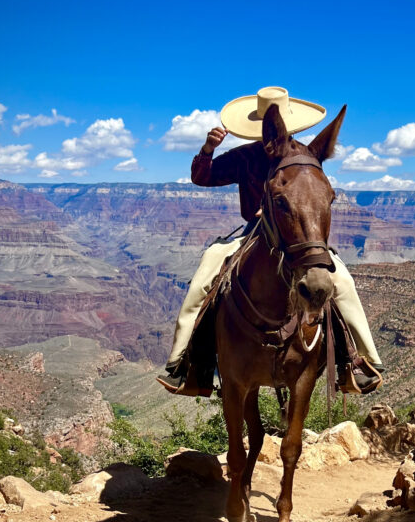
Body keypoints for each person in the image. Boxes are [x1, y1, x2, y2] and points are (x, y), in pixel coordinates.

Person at [157, 86, 384, 395]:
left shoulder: (305, 156)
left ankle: (358, 363)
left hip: (297, 237)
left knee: (342, 282)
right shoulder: (244, 157)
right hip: (253, 230)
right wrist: (208, 149)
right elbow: (202, 177)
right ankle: (187, 364)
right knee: (203, 279)